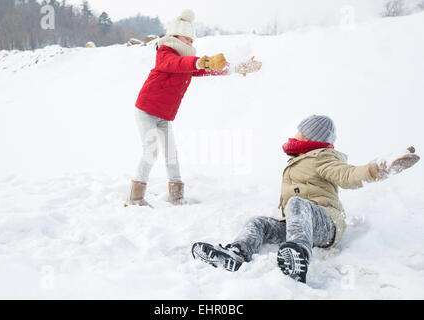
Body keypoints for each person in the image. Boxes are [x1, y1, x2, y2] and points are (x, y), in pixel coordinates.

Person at [192, 115, 420, 283]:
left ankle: (297, 256)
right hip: (299, 225)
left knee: (297, 204)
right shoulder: (301, 158)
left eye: (300, 131)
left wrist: (378, 168)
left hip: (325, 224)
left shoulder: (323, 158)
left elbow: (349, 175)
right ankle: (237, 253)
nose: (295, 134)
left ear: (311, 136)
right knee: (258, 223)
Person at [125, 9, 262, 207]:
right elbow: (177, 64)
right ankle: (135, 198)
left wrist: (235, 68)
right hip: (146, 110)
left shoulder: (186, 60)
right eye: (186, 39)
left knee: (171, 153)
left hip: (163, 115)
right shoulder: (165, 53)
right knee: (151, 151)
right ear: (174, 36)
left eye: (191, 40)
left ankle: (177, 196)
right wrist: (202, 61)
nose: (190, 43)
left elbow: (203, 69)